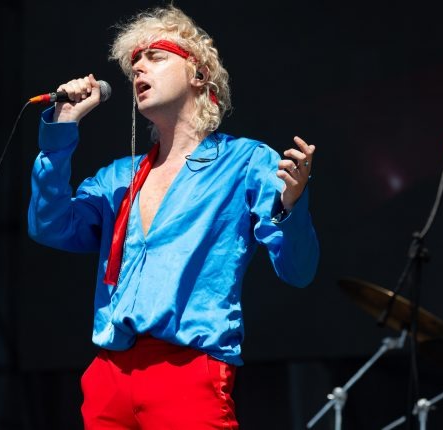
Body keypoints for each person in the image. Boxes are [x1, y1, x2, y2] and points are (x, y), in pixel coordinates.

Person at [28, 5, 319, 429]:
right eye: (134, 64)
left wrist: (292, 204)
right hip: (109, 376)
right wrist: (61, 131)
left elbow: (299, 270)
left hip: (187, 372)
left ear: (198, 75)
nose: (139, 68)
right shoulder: (118, 178)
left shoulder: (245, 162)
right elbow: (49, 225)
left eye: (156, 56)